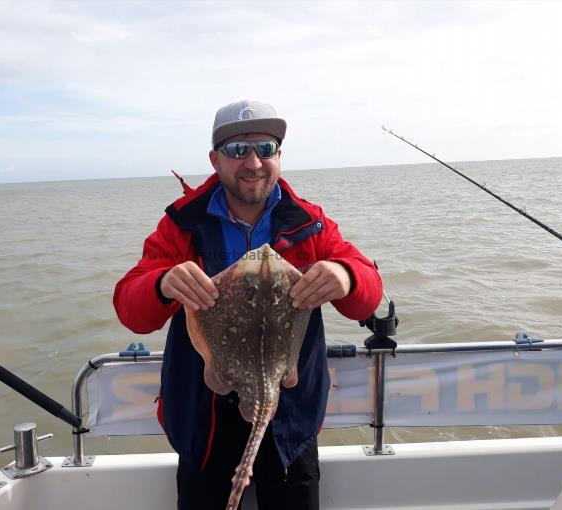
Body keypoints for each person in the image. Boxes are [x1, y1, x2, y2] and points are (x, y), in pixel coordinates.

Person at [113, 100, 382, 510]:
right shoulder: (183, 225)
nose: (254, 162)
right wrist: (163, 283)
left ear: (279, 156)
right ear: (216, 160)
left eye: (266, 148)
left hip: (288, 419)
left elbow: (369, 292)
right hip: (203, 423)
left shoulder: (310, 223)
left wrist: (345, 275)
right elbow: (131, 309)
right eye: (239, 150)